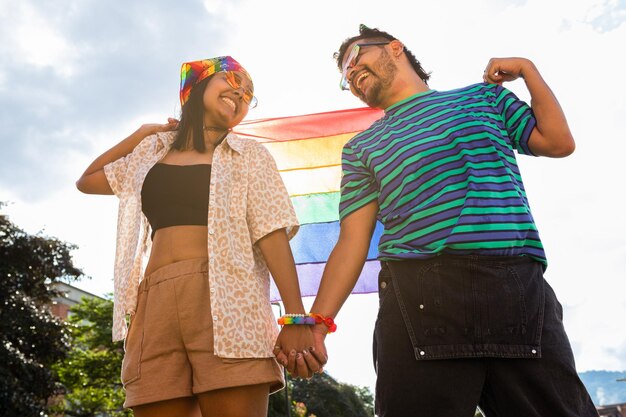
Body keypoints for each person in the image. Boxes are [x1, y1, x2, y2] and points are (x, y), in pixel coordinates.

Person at [279, 25, 599, 417]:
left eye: (355, 59)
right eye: (345, 76)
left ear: (394, 48)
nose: (350, 74)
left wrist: (529, 70)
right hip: (418, 295)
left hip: (515, 288)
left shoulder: (484, 99)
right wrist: (318, 324)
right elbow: (352, 241)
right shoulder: (362, 148)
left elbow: (557, 142)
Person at [76, 55, 323, 417]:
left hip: (229, 301)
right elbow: (88, 180)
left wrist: (296, 318)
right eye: (232, 82)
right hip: (154, 302)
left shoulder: (250, 155)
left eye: (248, 95)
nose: (240, 94)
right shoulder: (151, 152)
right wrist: (143, 132)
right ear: (196, 86)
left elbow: (272, 233)